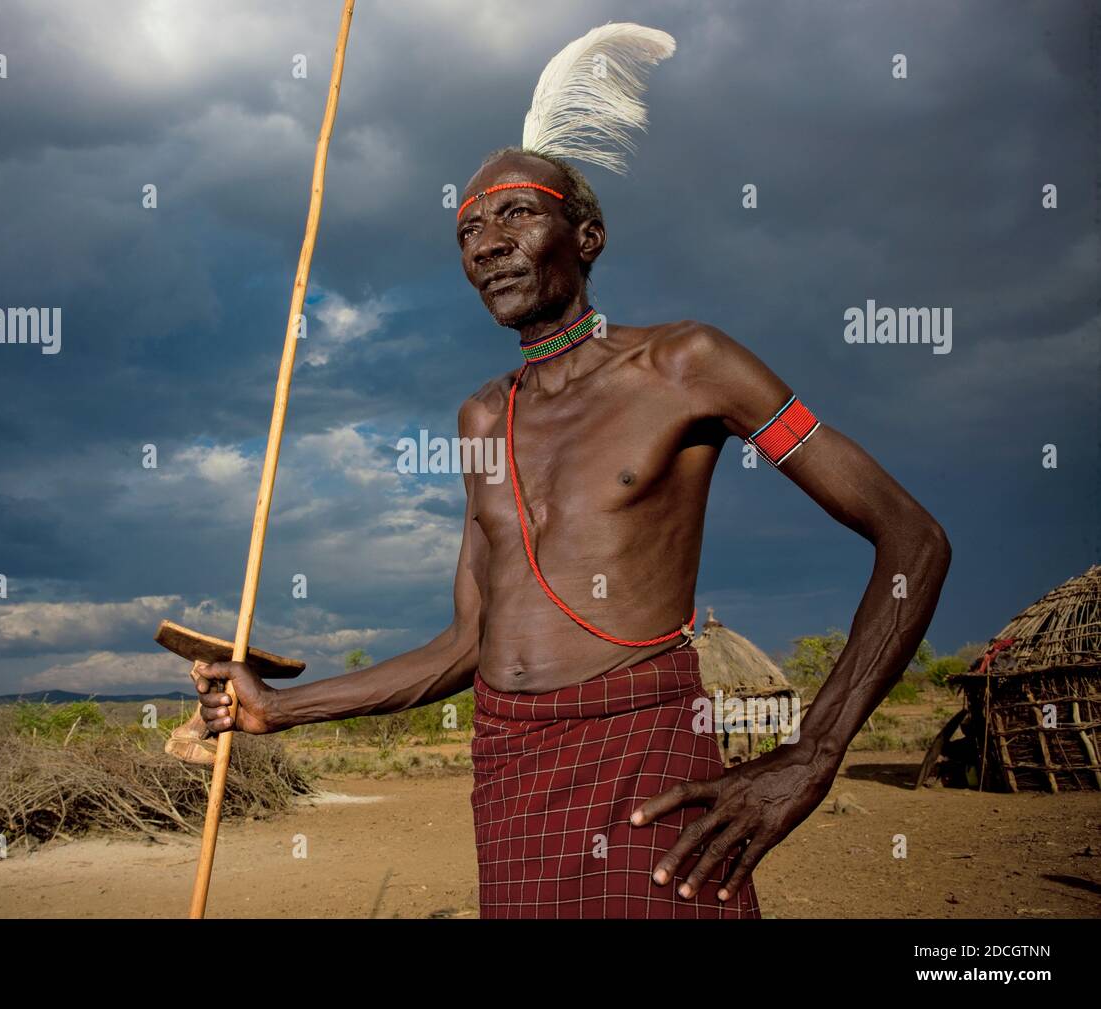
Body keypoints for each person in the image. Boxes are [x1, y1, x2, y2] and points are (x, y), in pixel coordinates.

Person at [168, 146, 951, 918]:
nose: (486, 244)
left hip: (642, 754)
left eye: (516, 213)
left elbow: (912, 538)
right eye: (467, 231)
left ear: (587, 236)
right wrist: (279, 706)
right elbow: (464, 645)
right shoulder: (482, 418)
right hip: (510, 772)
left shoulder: (686, 364)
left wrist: (811, 754)